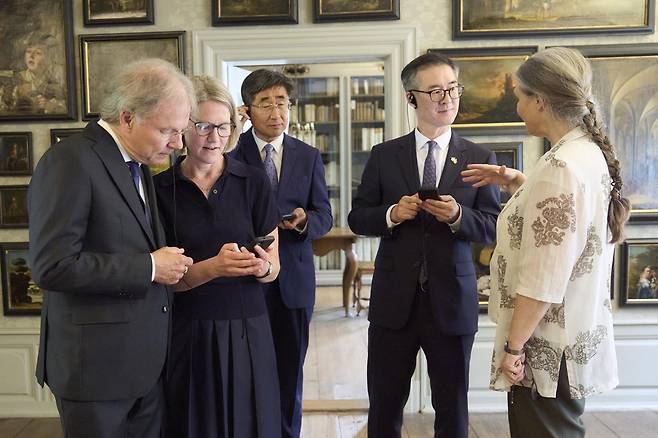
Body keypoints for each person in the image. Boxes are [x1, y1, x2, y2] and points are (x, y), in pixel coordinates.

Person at [462, 47, 631, 437]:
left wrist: (513, 347)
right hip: (571, 336)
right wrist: (520, 184)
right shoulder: (583, 153)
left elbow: (545, 277)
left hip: (547, 349)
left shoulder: (559, 167)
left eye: (520, 96)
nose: (516, 104)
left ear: (540, 100)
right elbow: (569, 225)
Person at [28, 58, 194, 438]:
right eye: (168, 130)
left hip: (143, 370)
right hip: (95, 374)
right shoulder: (69, 161)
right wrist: (150, 268)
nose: (177, 143)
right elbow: (52, 266)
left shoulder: (136, 165)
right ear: (128, 118)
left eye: (181, 131)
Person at [348, 52, 500, 438]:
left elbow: (494, 226)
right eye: (435, 91)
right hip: (393, 303)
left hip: (451, 302)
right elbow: (357, 217)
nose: (446, 98)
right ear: (411, 97)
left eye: (452, 89)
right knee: (384, 406)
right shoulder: (384, 156)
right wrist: (392, 214)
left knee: (452, 408)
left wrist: (457, 217)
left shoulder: (479, 158)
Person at [154, 75, 282, 438]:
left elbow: (275, 268)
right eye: (203, 126)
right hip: (187, 330)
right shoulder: (159, 190)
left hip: (248, 328)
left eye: (223, 127)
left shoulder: (254, 182)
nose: (214, 138)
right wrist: (213, 268)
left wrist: (262, 266)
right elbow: (159, 281)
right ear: (182, 127)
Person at [231, 69, 332, 438]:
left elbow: (324, 213)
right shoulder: (231, 153)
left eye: (282, 103)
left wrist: (306, 222)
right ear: (247, 110)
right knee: (246, 370)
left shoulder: (308, 156)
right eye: (265, 104)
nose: (276, 112)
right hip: (244, 279)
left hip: (293, 282)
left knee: (290, 372)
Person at [10, 33, 66, 115]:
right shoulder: (17, 79)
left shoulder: (55, 80)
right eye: (28, 52)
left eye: (38, 53)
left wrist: (51, 106)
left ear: (48, 58)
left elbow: (65, 108)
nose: (31, 56)